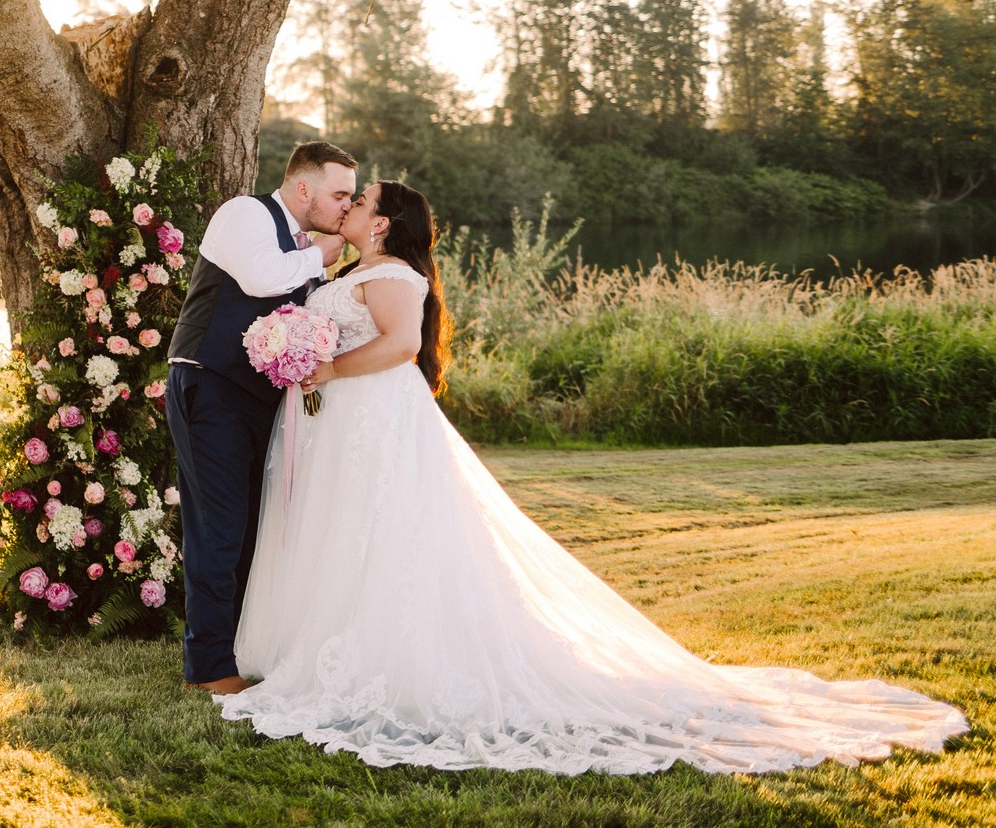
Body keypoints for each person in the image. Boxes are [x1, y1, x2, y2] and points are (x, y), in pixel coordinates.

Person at [219, 179, 967, 773]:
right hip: (343, 424)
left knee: (387, 536)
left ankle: (391, 664)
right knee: (347, 535)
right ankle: (324, 648)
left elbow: (401, 346)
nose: (349, 207)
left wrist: (327, 367)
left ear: (382, 224)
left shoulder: (393, 275)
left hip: (376, 420)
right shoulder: (355, 267)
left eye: (361, 202)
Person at [164, 141, 356, 694]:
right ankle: (208, 669)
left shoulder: (305, 249)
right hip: (210, 384)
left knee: (252, 527)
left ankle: (238, 650)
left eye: (351, 197)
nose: (346, 206)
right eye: (339, 194)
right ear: (303, 187)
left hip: (260, 399)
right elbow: (260, 278)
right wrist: (322, 255)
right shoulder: (246, 213)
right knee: (219, 528)